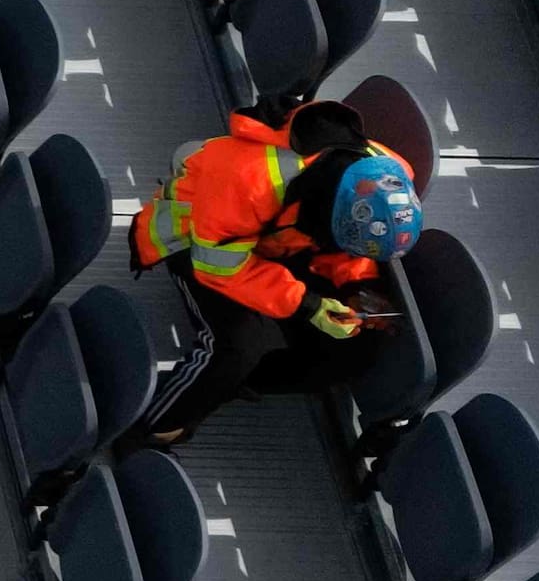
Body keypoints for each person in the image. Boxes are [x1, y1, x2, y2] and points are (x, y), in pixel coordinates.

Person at [132, 94, 426, 443]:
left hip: (278, 237)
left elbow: (347, 249)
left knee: (356, 351)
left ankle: (239, 384)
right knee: (236, 349)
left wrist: (355, 290)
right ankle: (154, 428)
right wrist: (308, 304)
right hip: (196, 240)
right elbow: (221, 269)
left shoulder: (391, 172)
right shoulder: (249, 180)